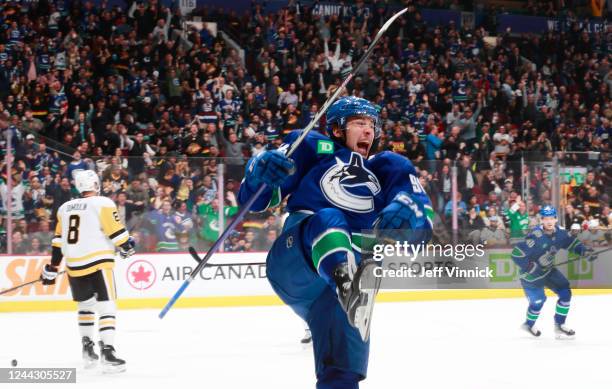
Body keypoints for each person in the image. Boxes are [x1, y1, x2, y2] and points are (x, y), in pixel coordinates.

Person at [238, 96, 433, 388]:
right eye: (358, 123)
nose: (368, 131)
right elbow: (253, 201)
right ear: (337, 129)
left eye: (371, 125)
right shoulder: (312, 147)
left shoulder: (391, 166)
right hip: (297, 258)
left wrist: (411, 215)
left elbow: (422, 230)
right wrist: (258, 172)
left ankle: (349, 292)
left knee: (341, 375)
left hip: (351, 279)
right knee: (328, 219)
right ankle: (347, 286)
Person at [40, 170, 135, 372]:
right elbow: (117, 232)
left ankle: (87, 349)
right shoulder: (103, 203)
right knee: (107, 306)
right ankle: (108, 352)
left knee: (85, 305)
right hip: (99, 262)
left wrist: (53, 267)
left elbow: (58, 242)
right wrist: (126, 247)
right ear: (96, 184)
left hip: (73, 264)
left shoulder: (64, 208)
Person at [511, 205, 597, 339]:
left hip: (549, 271)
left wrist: (584, 251)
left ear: (556, 219)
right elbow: (516, 254)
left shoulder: (561, 234)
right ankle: (529, 324)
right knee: (538, 301)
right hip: (531, 277)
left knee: (565, 293)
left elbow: (572, 243)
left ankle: (559, 325)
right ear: (542, 220)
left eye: (552, 218)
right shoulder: (534, 237)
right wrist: (531, 267)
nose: (549, 221)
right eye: (546, 218)